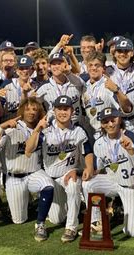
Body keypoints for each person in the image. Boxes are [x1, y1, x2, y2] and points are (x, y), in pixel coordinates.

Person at [26, 96, 94, 243]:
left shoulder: (78, 131)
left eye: (66, 109)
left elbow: (87, 151)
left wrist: (88, 167)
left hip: (68, 174)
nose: (63, 112)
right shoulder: (46, 130)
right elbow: (28, 150)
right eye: (59, 109)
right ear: (54, 111)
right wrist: (37, 129)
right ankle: (74, 207)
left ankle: (71, 227)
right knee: (57, 219)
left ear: (72, 111)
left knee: (73, 184)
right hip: (51, 178)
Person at [0, 97, 55, 241]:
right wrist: (1, 127)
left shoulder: (43, 129)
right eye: (28, 109)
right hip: (14, 177)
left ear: (39, 113)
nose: (31, 112)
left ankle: (40, 224)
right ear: (22, 110)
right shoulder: (11, 127)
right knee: (19, 219)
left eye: (35, 110)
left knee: (48, 185)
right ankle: (31, 203)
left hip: (34, 172)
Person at [82, 107, 134, 237]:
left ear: (119, 119)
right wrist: (87, 170)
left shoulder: (131, 136)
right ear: (101, 124)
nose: (110, 124)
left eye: (113, 120)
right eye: (106, 121)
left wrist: (131, 151)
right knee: (88, 184)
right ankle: (96, 221)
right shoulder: (99, 143)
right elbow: (98, 168)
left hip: (132, 186)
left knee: (132, 232)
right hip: (113, 182)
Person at [81, 51, 132, 139]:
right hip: (93, 134)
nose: (93, 68)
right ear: (87, 67)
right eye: (90, 65)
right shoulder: (84, 87)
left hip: (110, 133)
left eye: (97, 65)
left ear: (103, 68)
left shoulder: (109, 84)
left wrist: (117, 91)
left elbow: (126, 109)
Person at [35, 53, 84, 125]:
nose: (56, 67)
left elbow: (83, 85)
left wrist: (68, 73)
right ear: (49, 67)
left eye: (59, 63)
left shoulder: (75, 82)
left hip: (76, 126)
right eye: (53, 64)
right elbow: (33, 105)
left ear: (66, 65)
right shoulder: (43, 87)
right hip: (54, 128)